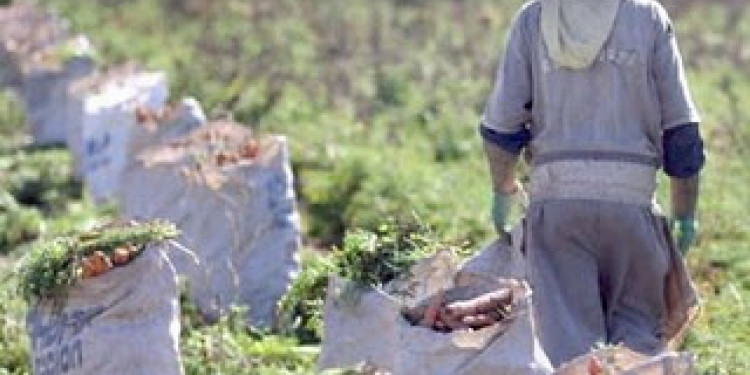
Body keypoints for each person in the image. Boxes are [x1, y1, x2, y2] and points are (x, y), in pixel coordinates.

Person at [479, 0, 704, 366]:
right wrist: (685, 213)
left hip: (557, 211)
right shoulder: (646, 16)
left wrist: (503, 192)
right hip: (631, 210)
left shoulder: (534, 18)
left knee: (567, 349)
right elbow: (681, 132)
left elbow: (501, 128)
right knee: (639, 344)